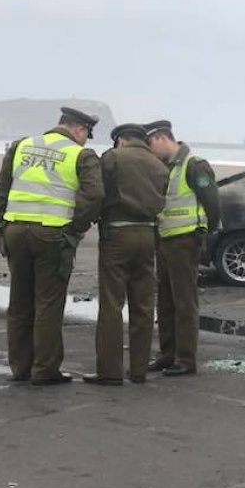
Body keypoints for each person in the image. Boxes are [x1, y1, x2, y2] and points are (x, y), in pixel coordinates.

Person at [0, 107, 104, 385]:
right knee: (48, 303)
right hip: (53, 235)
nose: (85, 141)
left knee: (19, 302)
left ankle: (20, 367)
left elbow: (1, 191)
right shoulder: (80, 155)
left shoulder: (22, 146)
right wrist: (75, 229)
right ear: (79, 130)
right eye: (86, 135)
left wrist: (1, 229)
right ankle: (45, 369)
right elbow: (95, 195)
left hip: (15, 230)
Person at [83, 123, 168, 386]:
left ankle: (109, 371)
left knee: (112, 304)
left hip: (117, 235)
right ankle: (139, 370)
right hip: (147, 236)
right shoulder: (159, 166)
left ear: (120, 140)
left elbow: (98, 193)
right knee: (143, 305)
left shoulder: (112, 158)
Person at [144, 120, 220, 376]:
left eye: (150, 144)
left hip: (185, 242)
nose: (149, 151)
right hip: (165, 241)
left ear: (162, 139)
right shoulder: (167, 168)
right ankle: (167, 354)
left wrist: (203, 234)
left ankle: (185, 359)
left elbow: (212, 203)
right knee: (165, 301)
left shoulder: (194, 165)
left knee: (184, 302)